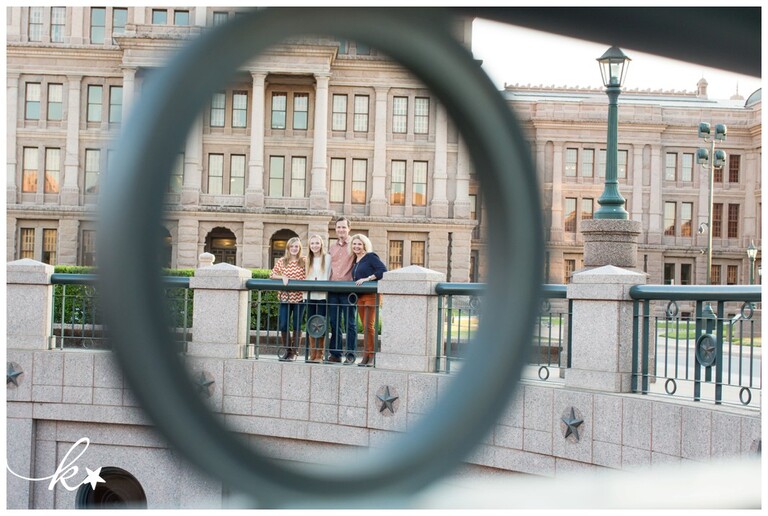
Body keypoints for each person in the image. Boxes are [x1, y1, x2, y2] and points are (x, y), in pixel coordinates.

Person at [350, 234, 387, 367]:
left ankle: (371, 355)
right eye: (354, 244)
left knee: (368, 326)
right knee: (365, 327)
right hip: (360, 297)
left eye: (359, 244)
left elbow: (383, 270)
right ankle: (365, 355)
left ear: (365, 245)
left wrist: (368, 279)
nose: (356, 246)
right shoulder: (356, 260)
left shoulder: (370, 257)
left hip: (371, 295)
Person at [269, 236, 306, 361]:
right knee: (284, 324)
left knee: (297, 324)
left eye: (296, 246)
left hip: (299, 298)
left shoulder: (304, 261)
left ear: (299, 248)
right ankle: (287, 350)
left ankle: (294, 352)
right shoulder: (282, 261)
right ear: (288, 248)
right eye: (292, 246)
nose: (294, 248)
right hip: (285, 297)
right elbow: (272, 274)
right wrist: (283, 277)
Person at [327, 217, 357, 364]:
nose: (341, 230)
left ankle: (350, 354)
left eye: (344, 227)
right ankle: (336, 354)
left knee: (350, 323)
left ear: (349, 229)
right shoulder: (331, 248)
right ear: (335, 229)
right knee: (335, 322)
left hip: (348, 290)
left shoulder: (354, 245)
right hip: (333, 289)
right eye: (339, 227)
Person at [304, 234, 331, 363]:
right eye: (312, 243)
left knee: (320, 323)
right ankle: (312, 353)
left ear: (321, 244)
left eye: (317, 243)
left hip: (322, 296)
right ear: (309, 245)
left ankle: (320, 354)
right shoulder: (307, 259)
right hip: (309, 295)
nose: (314, 246)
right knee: (310, 323)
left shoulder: (327, 258)